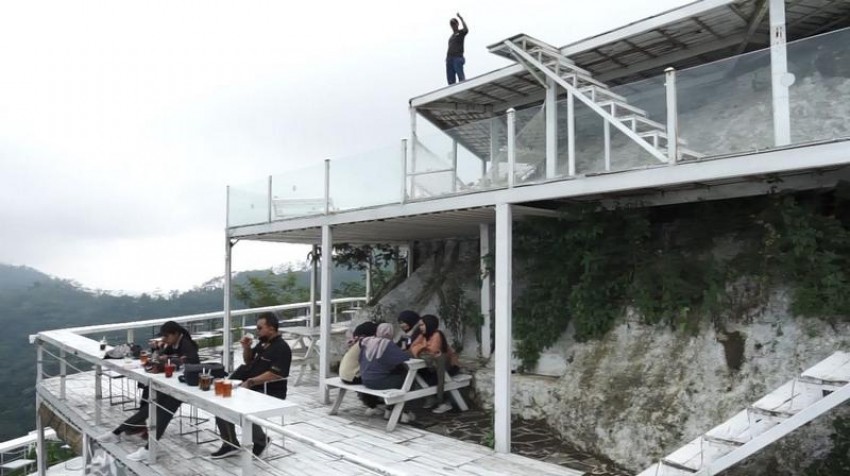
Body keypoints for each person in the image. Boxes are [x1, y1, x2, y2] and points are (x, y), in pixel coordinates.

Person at [96, 321, 200, 462]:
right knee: (152, 409)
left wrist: (169, 358)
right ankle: (120, 434)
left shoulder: (186, 344)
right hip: (172, 383)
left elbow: (192, 363)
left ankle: (137, 442)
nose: (164, 339)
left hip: (186, 385)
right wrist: (159, 348)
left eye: (166, 336)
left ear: (175, 334)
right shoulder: (174, 342)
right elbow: (160, 356)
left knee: (160, 412)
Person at [210, 312, 292, 459]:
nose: (257, 331)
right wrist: (246, 347)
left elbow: (276, 374)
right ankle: (231, 442)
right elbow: (249, 361)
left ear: (271, 328)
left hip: (269, 389)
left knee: (232, 402)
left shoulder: (281, 348)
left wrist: (251, 381)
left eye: (260, 328)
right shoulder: (263, 342)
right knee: (220, 395)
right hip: (249, 384)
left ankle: (253, 441)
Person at [359, 323, 415, 423]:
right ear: (390, 333)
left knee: (397, 377)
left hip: (365, 380)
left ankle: (389, 410)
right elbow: (404, 357)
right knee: (408, 380)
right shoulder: (386, 344)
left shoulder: (367, 342)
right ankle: (404, 413)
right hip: (378, 382)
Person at [409, 314, 459, 414]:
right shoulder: (424, 335)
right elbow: (412, 347)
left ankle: (444, 402)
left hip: (449, 367)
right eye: (419, 325)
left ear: (429, 324)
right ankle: (432, 399)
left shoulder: (437, 334)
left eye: (422, 325)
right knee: (420, 376)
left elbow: (432, 351)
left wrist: (420, 348)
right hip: (434, 366)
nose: (420, 327)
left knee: (433, 380)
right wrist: (422, 349)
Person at [339, 321, 383, 415]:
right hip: (352, 376)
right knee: (374, 378)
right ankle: (372, 406)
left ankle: (372, 403)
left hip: (345, 375)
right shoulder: (366, 343)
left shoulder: (357, 343)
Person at [446, 12, 469, 85]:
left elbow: (466, 29)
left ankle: (463, 86)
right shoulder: (451, 37)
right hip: (449, 59)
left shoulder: (461, 33)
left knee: (460, 77)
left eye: (454, 24)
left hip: (457, 58)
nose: (453, 26)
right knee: (450, 80)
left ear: (457, 24)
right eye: (452, 25)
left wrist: (461, 18)